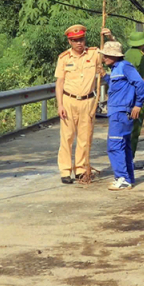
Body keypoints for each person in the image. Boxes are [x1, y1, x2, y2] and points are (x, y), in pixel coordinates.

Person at [101, 27, 144, 169]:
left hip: (122, 101)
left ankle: (125, 164)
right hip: (134, 100)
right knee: (133, 132)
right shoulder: (141, 58)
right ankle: (128, 162)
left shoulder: (127, 54)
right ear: (142, 44)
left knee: (123, 133)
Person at [55, 24, 102, 184]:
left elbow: (112, 55)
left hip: (88, 101)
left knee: (85, 137)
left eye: (81, 39)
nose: (79, 43)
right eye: (75, 40)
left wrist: (109, 37)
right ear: (70, 42)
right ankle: (65, 171)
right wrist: (60, 105)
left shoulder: (94, 53)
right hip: (69, 101)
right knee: (67, 137)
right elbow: (59, 83)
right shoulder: (63, 58)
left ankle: (81, 169)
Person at [100, 41, 144, 191]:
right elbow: (118, 86)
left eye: (107, 55)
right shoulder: (115, 69)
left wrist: (138, 104)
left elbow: (140, 84)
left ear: (115, 56)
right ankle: (128, 178)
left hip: (121, 112)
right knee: (124, 146)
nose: (104, 58)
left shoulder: (124, 66)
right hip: (118, 111)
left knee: (114, 146)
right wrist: (104, 76)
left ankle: (121, 178)